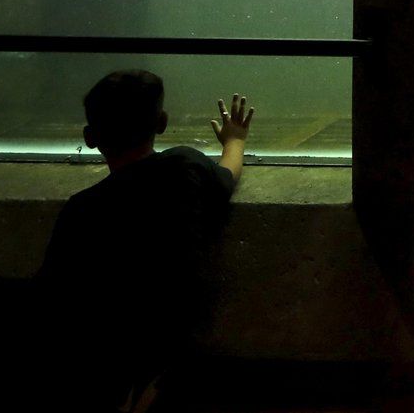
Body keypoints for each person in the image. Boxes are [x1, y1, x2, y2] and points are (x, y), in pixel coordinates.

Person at [21, 73, 255, 410]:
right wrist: (235, 139)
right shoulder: (184, 168)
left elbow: (53, 290)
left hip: (101, 346)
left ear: (90, 137)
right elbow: (228, 175)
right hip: (169, 335)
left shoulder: (82, 208)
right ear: (161, 122)